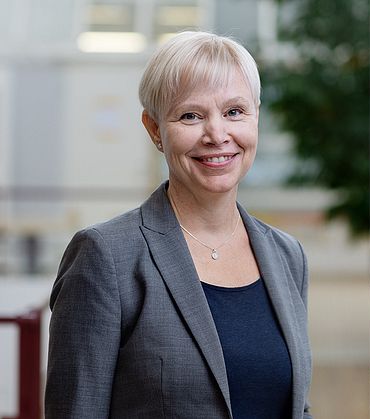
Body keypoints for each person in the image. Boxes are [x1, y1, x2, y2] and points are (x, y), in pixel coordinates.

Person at [45, 31, 312, 419]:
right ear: (155, 129)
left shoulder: (287, 255)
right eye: (191, 115)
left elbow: (295, 406)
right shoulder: (107, 256)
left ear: (257, 117)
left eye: (234, 112)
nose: (218, 135)